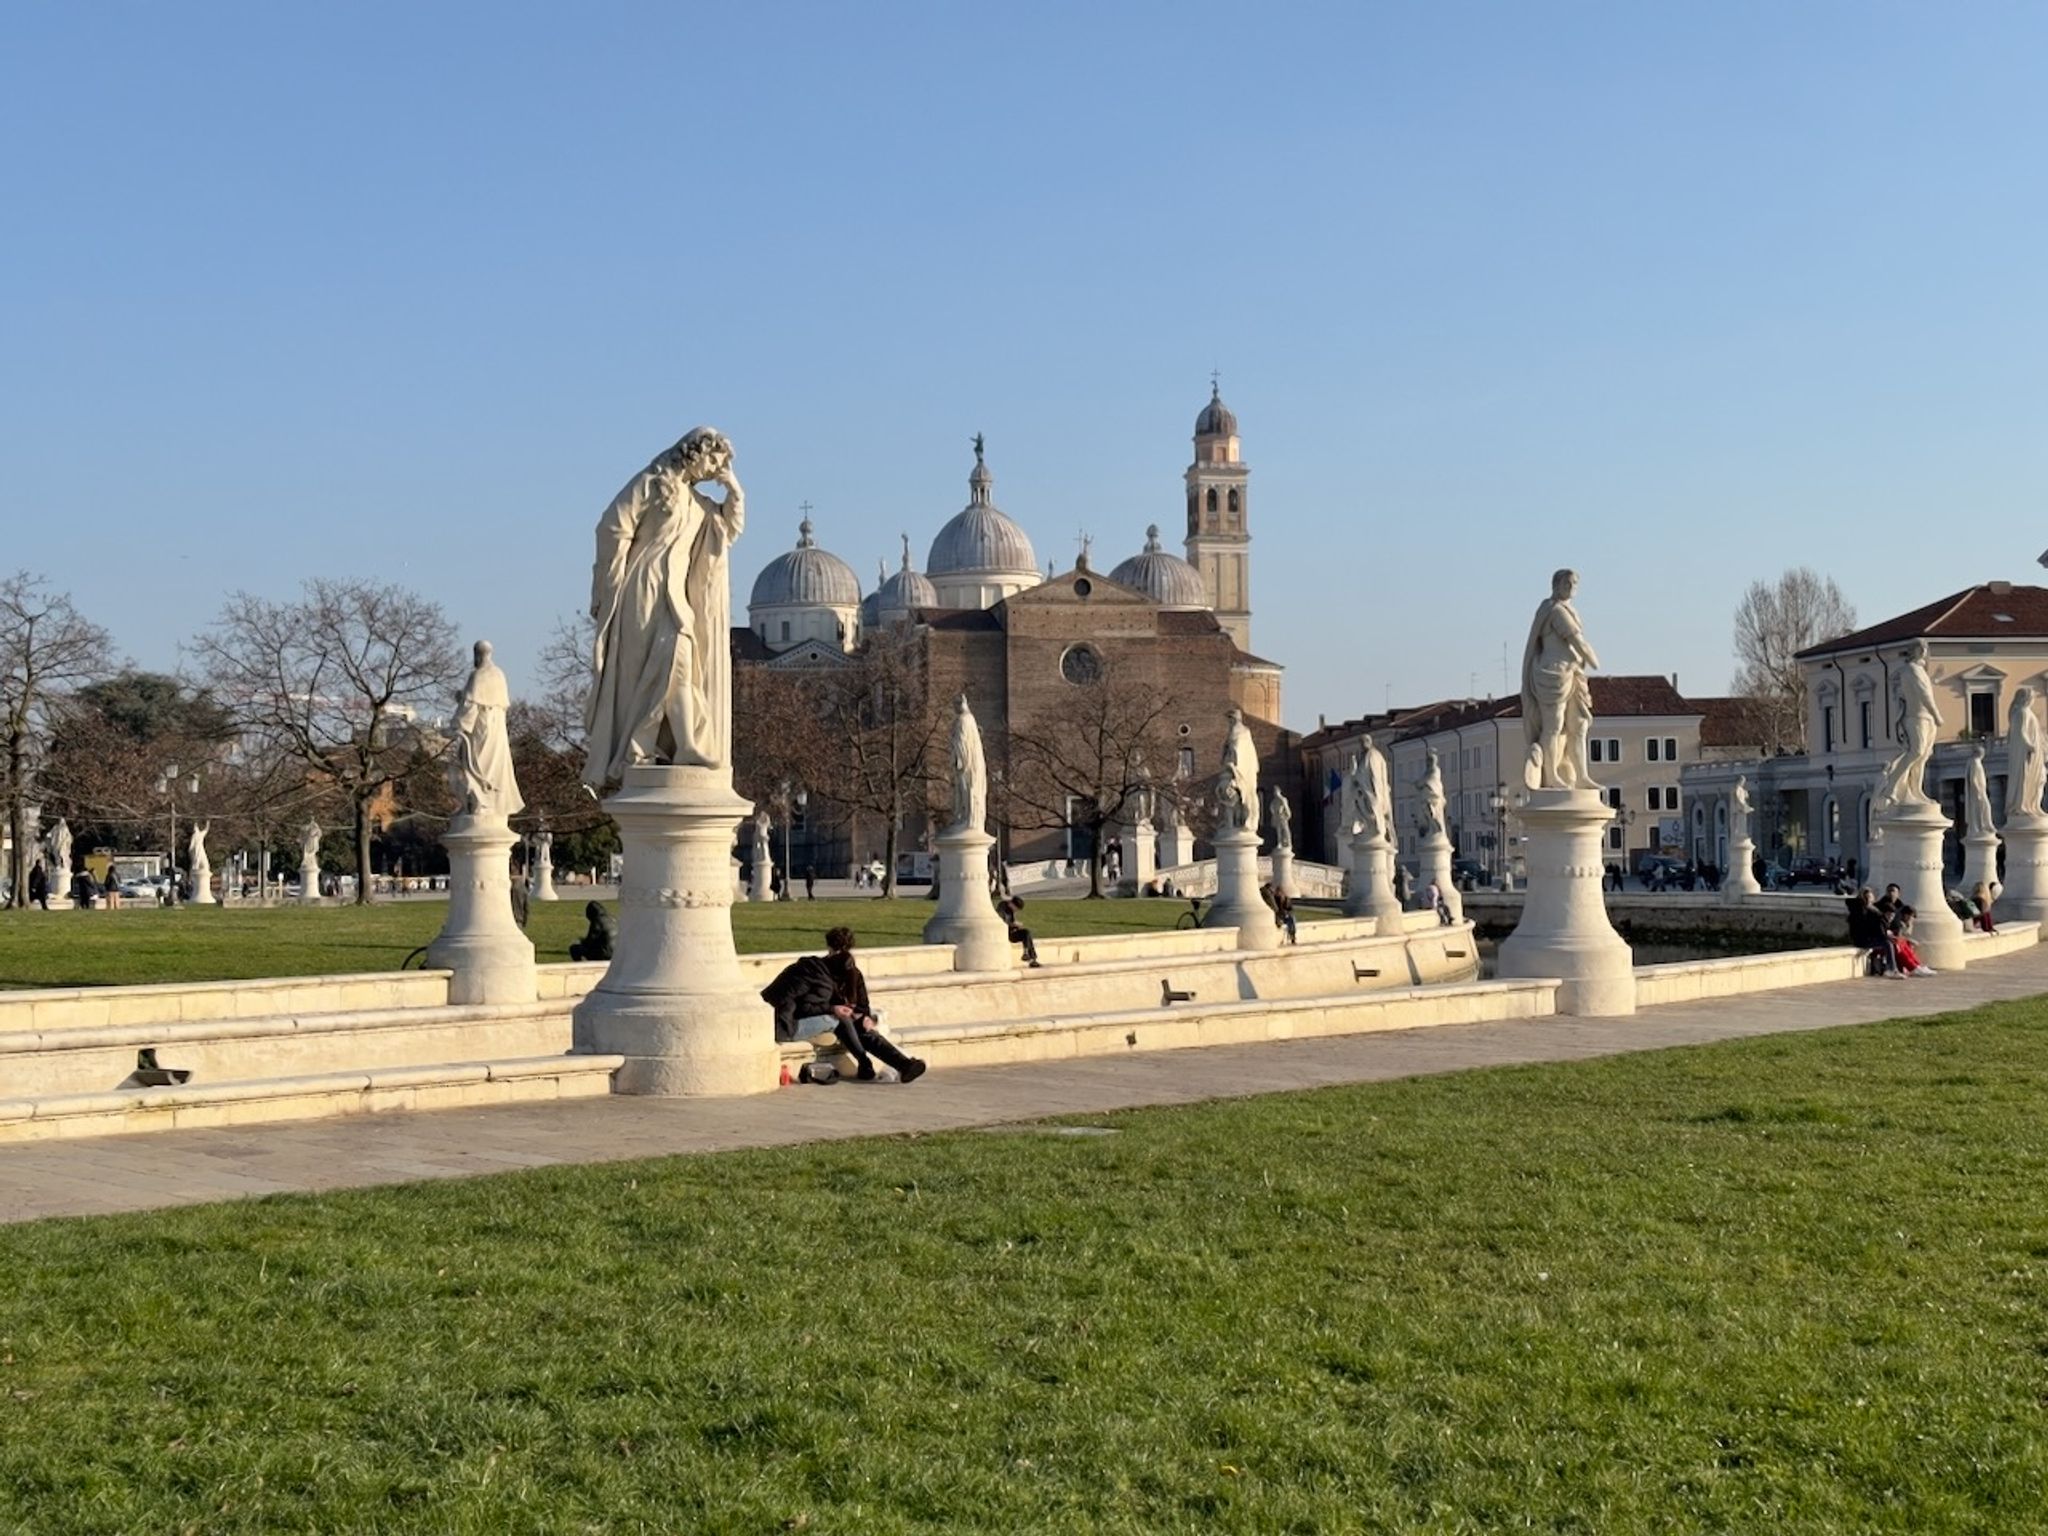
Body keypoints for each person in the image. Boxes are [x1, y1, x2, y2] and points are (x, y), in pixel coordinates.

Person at [760, 927, 926, 1083]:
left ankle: (902, 1065)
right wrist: (834, 1009)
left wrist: (865, 1015)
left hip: (828, 1018)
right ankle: (867, 1063)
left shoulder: (850, 972)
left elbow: (862, 1002)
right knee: (840, 1020)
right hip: (801, 1020)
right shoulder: (821, 973)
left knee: (863, 1030)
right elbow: (804, 1007)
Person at [1846, 887, 1902, 977]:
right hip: (1862, 939)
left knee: (1890, 942)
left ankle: (1891, 968)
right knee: (1887, 943)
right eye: (1867, 897)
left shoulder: (1872, 909)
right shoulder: (1861, 910)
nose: (1869, 900)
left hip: (1869, 937)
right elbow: (1867, 927)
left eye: (1870, 897)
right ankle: (1891, 969)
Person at [996, 893, 1041, 966]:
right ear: (1012, 904)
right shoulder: (1002, 907)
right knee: (1026, 934)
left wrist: (1016, 925)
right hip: (1005, 933)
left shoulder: (1010, 909)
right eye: (1016, 909)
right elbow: (1001, 922)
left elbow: (1010, 920)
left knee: (1026, 933)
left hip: (1012, 931)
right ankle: (1029, 957)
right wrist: (1013, 924)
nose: (1016, 911)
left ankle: (1029, 956)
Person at [1891, 904, 1937, 976]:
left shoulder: (1906, 923)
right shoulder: (1898, 924)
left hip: (1899, 942)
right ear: (1904, 915)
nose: (1911, 918)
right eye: (1909, 915)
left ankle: (1917, 965)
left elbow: (1906, 935)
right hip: (1894, 943)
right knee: (1903, 948)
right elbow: (1898, 936)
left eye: (1912, 916)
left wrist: (1909, 926)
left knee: (1906, 947)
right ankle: (1912, 967)